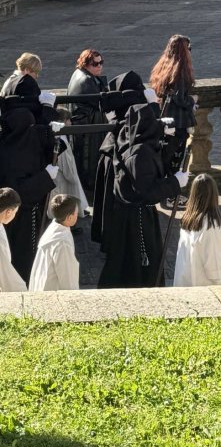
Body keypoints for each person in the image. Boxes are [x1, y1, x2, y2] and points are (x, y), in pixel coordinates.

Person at [98, 103, 187, 289]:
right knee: (139, 264)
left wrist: (171, 136)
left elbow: (157, 160)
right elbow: (147, 190)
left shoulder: (131, 141)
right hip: (136, 218)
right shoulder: (139, 153)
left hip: (132, 215)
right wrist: (174, 183)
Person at [91, 71, 157, 251]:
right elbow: (147, 128)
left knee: (109, 204)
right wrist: (153, 106)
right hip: (121, 161)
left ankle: (109, 240)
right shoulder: (133, 107)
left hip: (110, 156)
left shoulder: (115, 106)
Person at [0, 108, 59, 283]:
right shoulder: (12, 155)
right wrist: (46, 177)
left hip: (29, 213)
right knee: (23, 257)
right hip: (20, 217)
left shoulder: (22, 146)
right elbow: (19, 190)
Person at [149, 35, 196, 198]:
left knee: (165, 158)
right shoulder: (180, 71)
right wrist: (192, 100)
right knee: (174, 160)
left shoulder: (163, 66)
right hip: (178, 123)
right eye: (189, 49)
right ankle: (171, 195)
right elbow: (180, 98)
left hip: (166, 121)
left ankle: (165, 193)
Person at [66, 49, 108, 192]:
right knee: (88, 162)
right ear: (85, 64)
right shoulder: (86, 80)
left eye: (101, 62)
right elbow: (101, 103)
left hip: (81, 127)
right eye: (95, 64)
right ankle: (90, 187)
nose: (99, 66)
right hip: (86, 130)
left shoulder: (79, 74)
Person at [173, 174, 221, 287]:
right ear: (214, 195)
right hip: (203, 288)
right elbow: (214, 270)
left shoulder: (187, 219)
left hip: (184, 283)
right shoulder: (211, 227)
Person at [29, 194, 80, 292]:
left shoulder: (54, 226)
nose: (77, 216)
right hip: (52, 291)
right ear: (69, 218)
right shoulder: (62, 243)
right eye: (76, 213)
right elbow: (67, 277)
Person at [47, 111, 88, 230]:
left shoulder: (58, 136)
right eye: (69, 120)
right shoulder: (61, 139)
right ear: (63, 121)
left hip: (59, 178)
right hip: (62, 179)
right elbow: (66, 164)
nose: (70, 123)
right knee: (63, 204)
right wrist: (73, 178)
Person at [0, 52, 58, 129]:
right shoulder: (27, 81)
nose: (37, 76)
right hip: (26, 129)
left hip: (8, 126)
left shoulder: (9, 81)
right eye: (35, 72)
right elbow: (38, 115)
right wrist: (48, 104)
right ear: (27, 70)